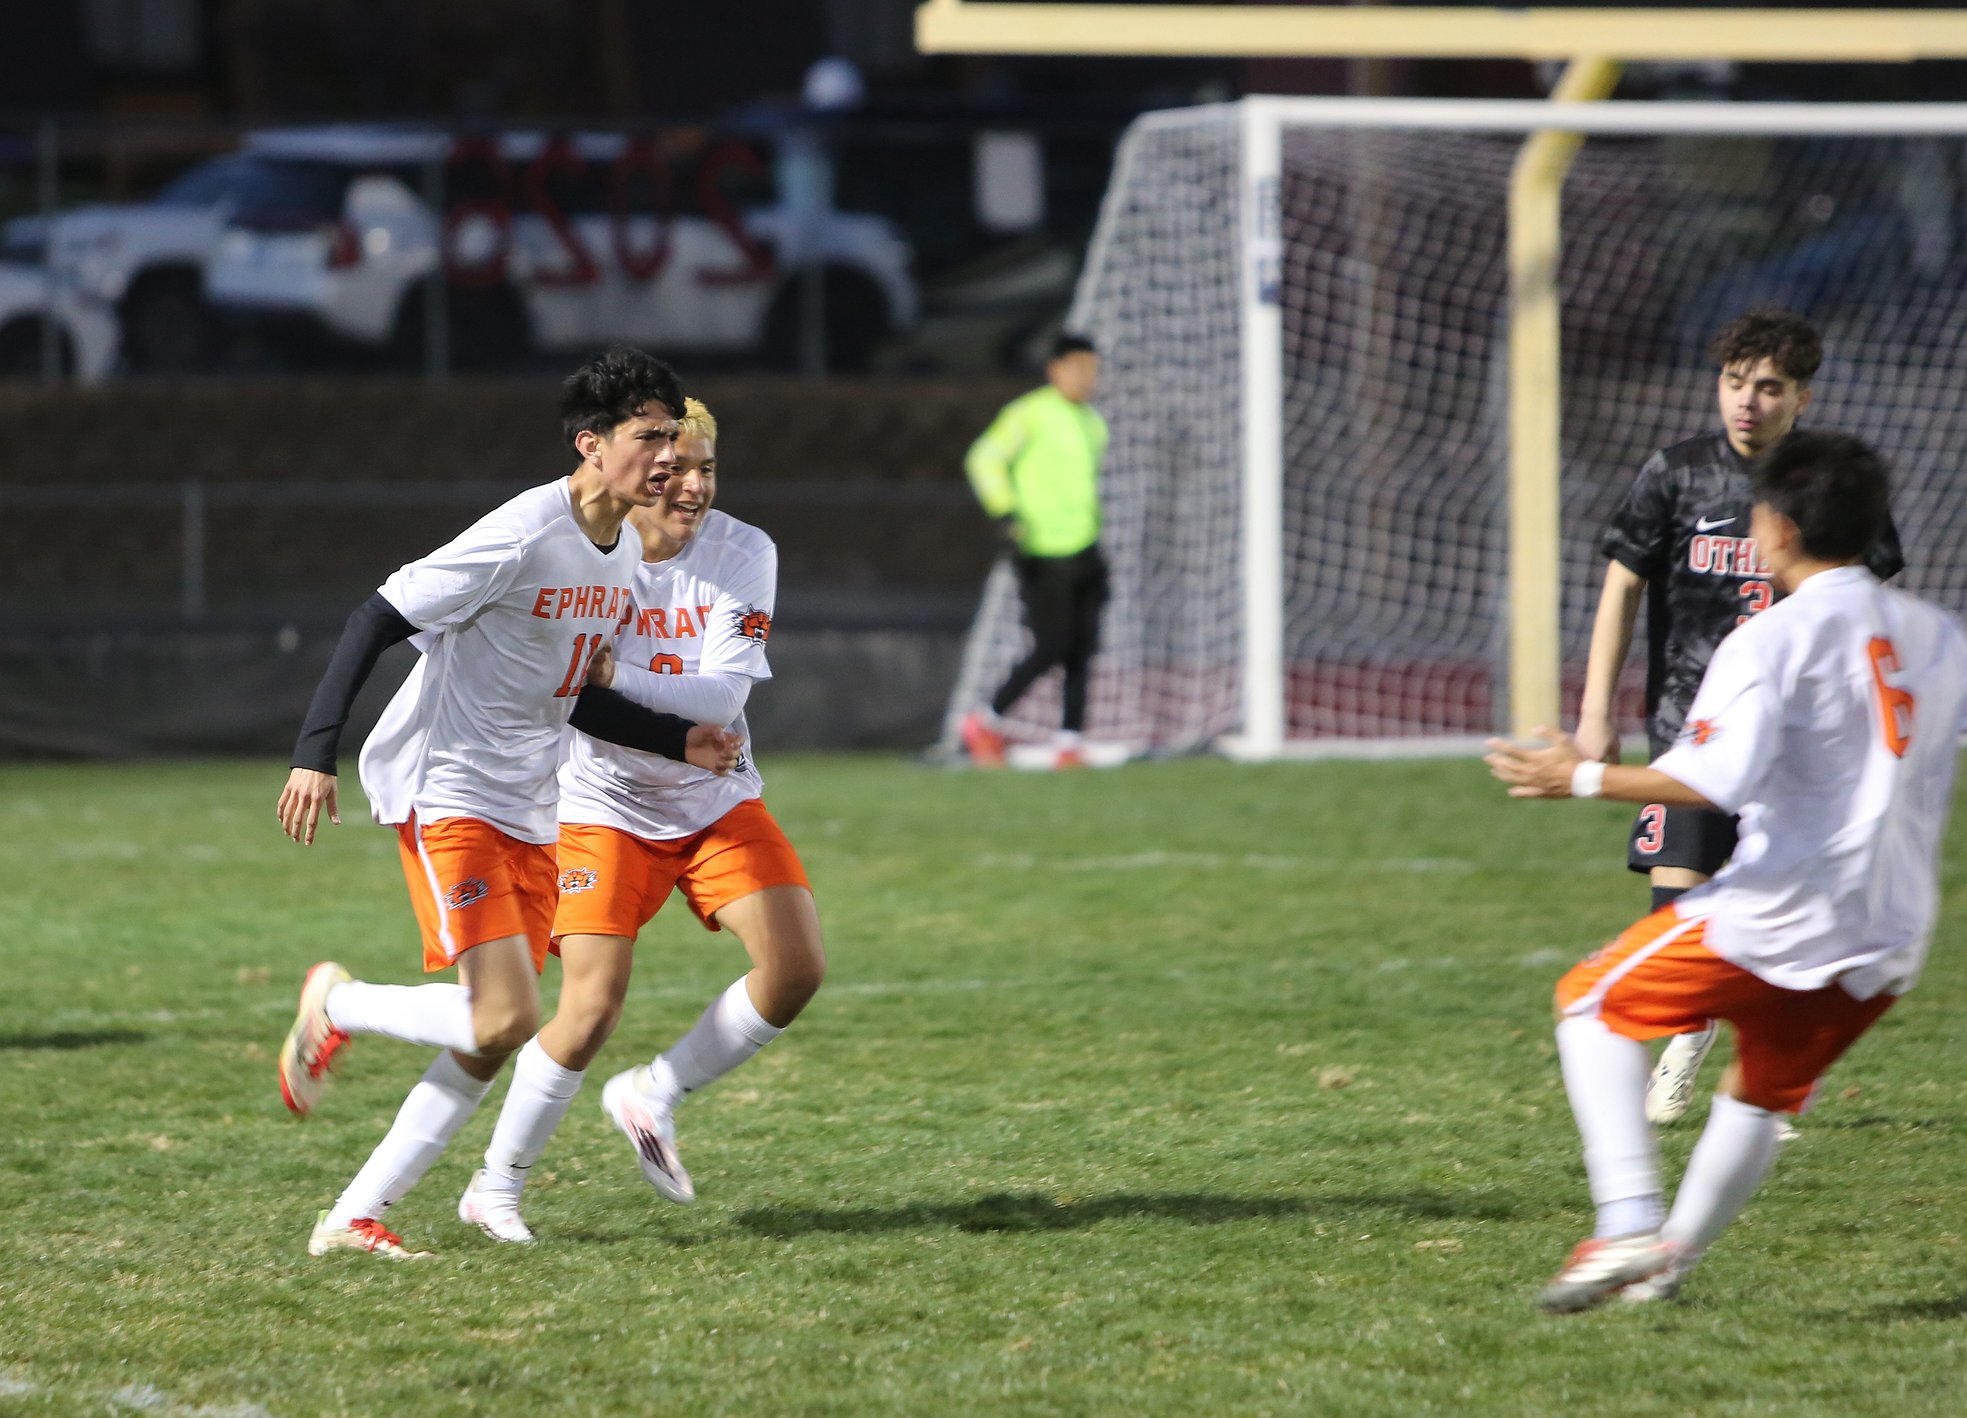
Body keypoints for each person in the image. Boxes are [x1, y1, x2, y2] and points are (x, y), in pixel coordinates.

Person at [274, 347, 740, 1260]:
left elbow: (569, 692)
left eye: (671, 439)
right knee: (505, 1018)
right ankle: (340, 1004)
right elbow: (376, 615)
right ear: (591, 444)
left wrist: (675, 739)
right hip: (450, 790)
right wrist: (311, 754)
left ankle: (355, 1215)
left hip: (531, 805)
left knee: (489, 1033)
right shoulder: (523, 532)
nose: (666, 458)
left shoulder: (621, 556)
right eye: (648, 437)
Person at [1488, 431, 1966, 1312]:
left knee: (1589, 1004)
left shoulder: (1770, 637)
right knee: (1758, 1094)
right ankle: (1664, 1267)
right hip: (1888, 931)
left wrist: (1578, 777)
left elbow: (1709, 780)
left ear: (1777, 528)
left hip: (1780, 910)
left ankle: (1627, 1222)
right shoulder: (1937, 633)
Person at [455, 397, 825, 1243]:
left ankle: (652, 1092)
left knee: (795, 968)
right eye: (674, 470)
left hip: (714, 794)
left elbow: (722, 698)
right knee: (589, 1009)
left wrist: (616, 673)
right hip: (601, 802)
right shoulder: (586, 556)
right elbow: (567, 695)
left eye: (707, 469)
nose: (693, 487)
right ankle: (494, 1188)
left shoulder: (744, 551)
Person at [1574, 307, 1904, 1126]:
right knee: (1675, 894)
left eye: (1768, 387)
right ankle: (1684, 1039)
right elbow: (1622, 585)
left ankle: (1763, 1079)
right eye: (1733, 382)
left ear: (1801, 397)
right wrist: (1593, 712)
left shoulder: (1826, 487)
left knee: (1785, 916)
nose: (1746, 402)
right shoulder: (1676, 473)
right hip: (1691, 725)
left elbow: (1869, 602)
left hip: (1798, 739)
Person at [958, 332, 1110, 770]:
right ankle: (985, 721)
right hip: (1042, 549)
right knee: (1052, 645)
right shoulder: (1029, 414)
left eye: (1092, 370)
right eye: (1078, 369)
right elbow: (983, 458)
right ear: (1055, 370)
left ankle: (1069, 743)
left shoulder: (1093, 423)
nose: (1086, 378)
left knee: (1083, 648)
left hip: (1087, 546)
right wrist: (1006, 511)